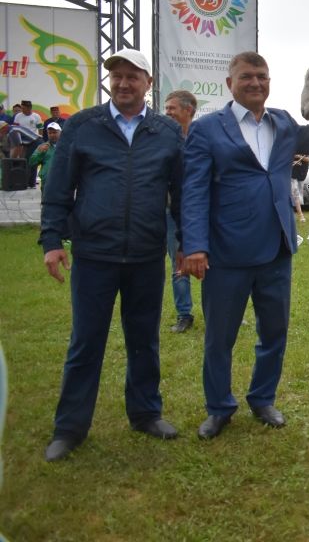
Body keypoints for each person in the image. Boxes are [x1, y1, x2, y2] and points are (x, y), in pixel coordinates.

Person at [181, 51, 309, 439]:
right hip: (226, 252)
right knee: (220, 338)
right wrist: (195, 246)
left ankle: (262, 399)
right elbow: (193, 191)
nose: (255, 83)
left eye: (262, 77)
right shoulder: (207, 130)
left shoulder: (283, 122)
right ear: (230, 84)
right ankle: (219, 407)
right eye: (246, 77)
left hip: (276, 249)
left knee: (274, 332)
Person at [38, 48, 184, 462]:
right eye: (116, 76)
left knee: (144, 341)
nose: (123, 83)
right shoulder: (83, 126)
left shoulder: (167, 132)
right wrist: (52, 241)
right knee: (85, 343)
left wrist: (185, 244)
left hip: (145, 255)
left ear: (148, 84)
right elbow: (58, 189)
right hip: (94, 255)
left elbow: (182, 195)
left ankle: (145, 413)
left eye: (132, 76)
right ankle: (69, 428)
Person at [164, 90, 197, 333]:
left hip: (204, 212)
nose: (167, 113)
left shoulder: (203, 138)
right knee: (179, 263)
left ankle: (222, 310)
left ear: (189, 111)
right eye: (166, 109)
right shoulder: (162, 140)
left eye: (172, 108)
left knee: (215, 263)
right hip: (173, 214)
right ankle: (184, 314)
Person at [29, 121, 61, 195]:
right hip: (47, 182)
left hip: (63, 182)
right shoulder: (43, 146)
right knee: (47, 204)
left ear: (60, 132)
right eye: (50, 133)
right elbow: (32, 162)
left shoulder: (67, 146)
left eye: (55, 132)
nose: (52, 135)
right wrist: (40, 153)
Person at [291, 154, 309, 223]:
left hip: (301, 175)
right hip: (291, 175)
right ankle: (300, 215)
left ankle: (299, 214)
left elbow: (308, 159)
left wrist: (299, 157)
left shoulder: (306, 149)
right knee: (294, 193)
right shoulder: (292, 147)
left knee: (298, 194)